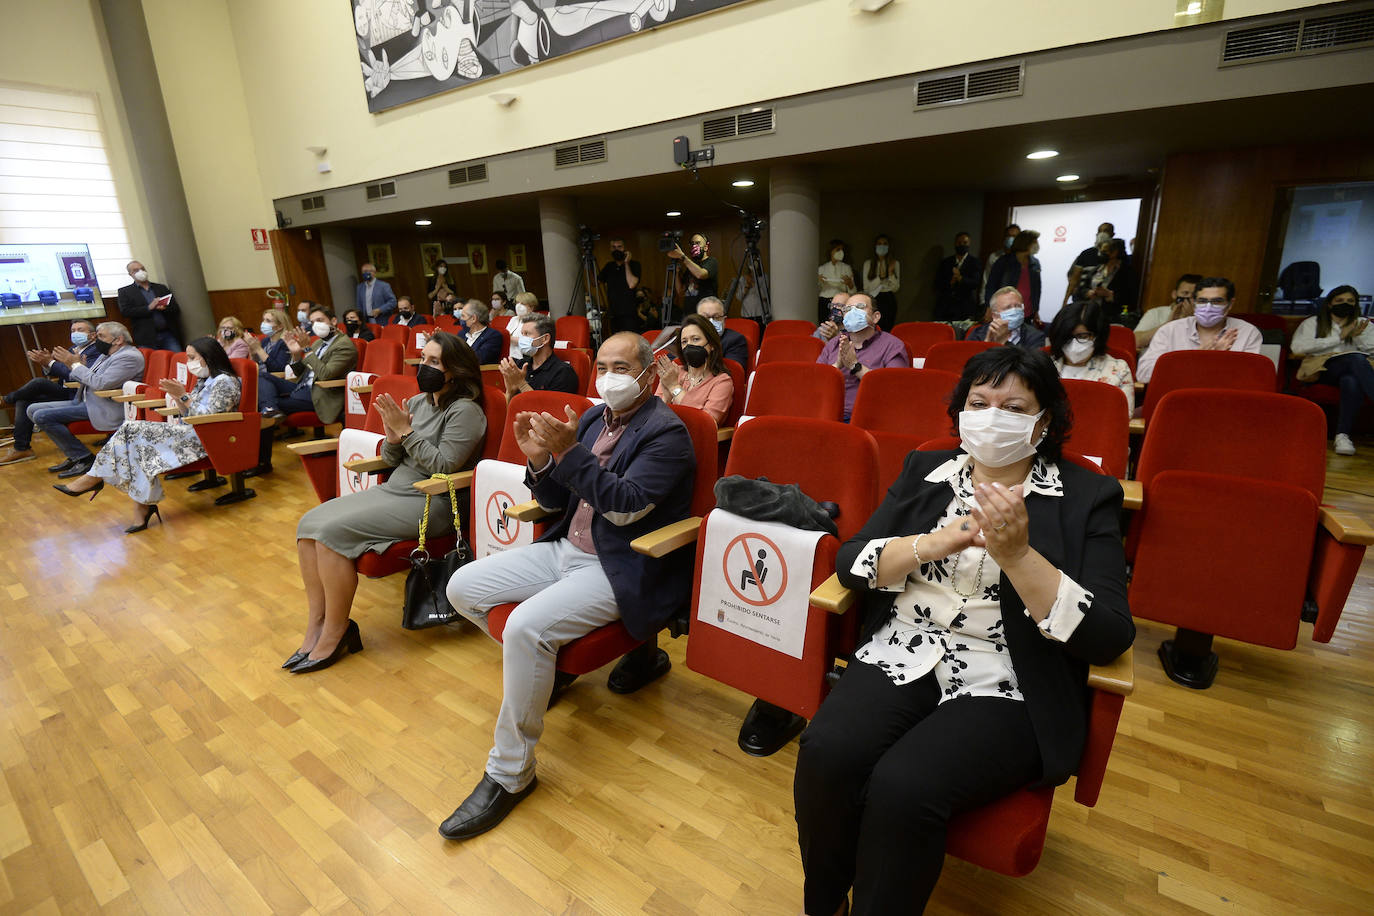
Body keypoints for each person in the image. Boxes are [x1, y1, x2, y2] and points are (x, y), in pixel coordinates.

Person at [793, 346, 1134, 914]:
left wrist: (1020, 555)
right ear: (960, 413)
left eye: (1013, 405)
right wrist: (929, 543)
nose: (992, 415)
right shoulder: (926, 471)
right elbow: (851, 562)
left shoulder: (1086, 495)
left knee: (906, 786)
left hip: (1010, 676)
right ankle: (824, 904)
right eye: (979, 402)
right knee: (827, 752)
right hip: (906, 647)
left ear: (1043, 420)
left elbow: (1109, 634)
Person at [439, 332, 695, 840]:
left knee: (524, 629)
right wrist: (540, 460)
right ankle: (544, 672)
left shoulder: (667, 433)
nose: (608, 376)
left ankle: (510, 774)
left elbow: (624, 508)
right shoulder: (597, 417)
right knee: (462, 587)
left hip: (619, 564)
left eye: (621, 367)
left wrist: (569, 451)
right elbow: (557, 502)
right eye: (601, 365)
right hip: (564, 548)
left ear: (648, 373)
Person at [289, 333, 487, 673]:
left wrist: (406, 432)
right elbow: (390, 457)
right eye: (423, 359)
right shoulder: (418, 402)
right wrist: (394, 436)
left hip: (431, 502)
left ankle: (337, 631)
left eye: (434, 362)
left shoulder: (466, 411)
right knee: (309, 525)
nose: (425, 367)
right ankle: (317, 624)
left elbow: (443, 467)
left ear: (455, 370)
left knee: (331, 534)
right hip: (395, 491)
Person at [52, 337, 242, 534]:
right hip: (188, 432)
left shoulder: (226, 382)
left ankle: (96, 478)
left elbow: (210, 419)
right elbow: (188, 413)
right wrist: (178, 397)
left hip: (207, 439)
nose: (188, 362)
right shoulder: (205, 379)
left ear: (208, 357)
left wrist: (183, 396)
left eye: (192, 357)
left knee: (132, 432)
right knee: (133, 440)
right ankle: (133, 500)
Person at [31, 322, 146, 479]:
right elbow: (86, 377)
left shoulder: (128, 357)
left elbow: (100, 384)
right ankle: (75, 455)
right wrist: (67, 365)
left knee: (42, 416)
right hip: (87, 399)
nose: (97, 340)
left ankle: (83, 458)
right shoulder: (106, 354)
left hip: (107, 405)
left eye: (101, 336)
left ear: (118, 340)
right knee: (32, 409)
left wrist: (75, 364)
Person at [0, 320, 102, 466]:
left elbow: (76, 375)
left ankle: (6, 400)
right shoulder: (74, 348)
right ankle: (21, 448)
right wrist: (46, 364)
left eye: (80, 330)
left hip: (78, 392)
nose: (75, 333)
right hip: (67, 390)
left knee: (38, 383)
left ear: (92, 335)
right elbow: (60, 371)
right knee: (25, 400)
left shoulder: (96, 350)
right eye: (72, 331)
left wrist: (50, 363)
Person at [1291, 285, 1374, 456]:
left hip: (1355, 372)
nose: (1345, 304)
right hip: (1323, 371)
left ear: (1356, 304)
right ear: (1330, 304)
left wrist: (1357, 335)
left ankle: (1342, 436)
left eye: (1350, 301)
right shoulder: (1313, 322)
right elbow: (1298, 348)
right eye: (1340, 300)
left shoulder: (1363, 324)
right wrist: (1339, 338)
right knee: (1355, 359)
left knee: (1350, 379)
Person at [1137, 277, 1263, 383]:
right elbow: (1144, 374)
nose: (1208, 307)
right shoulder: (1170, 330)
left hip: (1224, 402)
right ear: (1193, 302)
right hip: (1175, 400)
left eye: (1217, 301)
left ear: (1230, 304)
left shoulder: (1248, 333)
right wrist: (1193, 359)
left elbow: (1249, 379)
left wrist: (1218, 360)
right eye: (1202, 301)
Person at [817, 294, 910, 421]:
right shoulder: (834, 344)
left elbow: (894, 390)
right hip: (828, 415)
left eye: (860, 307)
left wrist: (855, 366)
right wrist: (837, 366)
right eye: (848, 309)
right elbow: (815, 385)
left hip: (871, 418)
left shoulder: (892, 345)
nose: (853, 312)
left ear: (875, 317)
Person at [262, 305, 359, 420]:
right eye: (313, 322)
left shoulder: (344, 345)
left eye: (320, 320)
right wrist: (296, 354)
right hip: (302, 387)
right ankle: (271, 409)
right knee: (261, 376)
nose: (316, 325)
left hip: (320, 394)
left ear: (333, 321)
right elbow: (300, 373)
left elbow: (325, 375)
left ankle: (270, 409)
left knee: (265, 403)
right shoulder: (318, 343)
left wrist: (307, 350)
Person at [1049, 300, 1135, 410]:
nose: (1074, 343)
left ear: (1098, 336)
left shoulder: (1119, 370)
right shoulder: (1043, 368)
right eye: (1068, 337)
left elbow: (1123, 416)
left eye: (1083, 336)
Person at [654, 314, 735, 425]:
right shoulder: (674, 372)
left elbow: (706, 423)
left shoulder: (722, 382)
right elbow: (654, 418)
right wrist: (667, 399)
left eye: (695, 339)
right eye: (684, 342)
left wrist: (674, 387)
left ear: (711, 345)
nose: (689, 345)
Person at [498, 314, 580, 402]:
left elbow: (549, 410)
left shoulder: (563, 372)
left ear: (545, 339)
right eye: (521, 334)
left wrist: (522, 384)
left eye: (527, 334)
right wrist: (510, 392)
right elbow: (508, 410)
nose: (521, 339)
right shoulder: (520, 365)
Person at [117, 260, 183, 351]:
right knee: (154, 364)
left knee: (178, 360)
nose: (141, 272)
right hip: (146, 338)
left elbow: (175, 308)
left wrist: (164, 308)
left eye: (142, 269)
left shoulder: (161, 288)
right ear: (130, 274)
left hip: (168, 334)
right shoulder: (125, 292)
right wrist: (148, 308)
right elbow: (125, 311)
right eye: (136, 270)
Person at [985, 230, 1041, 322]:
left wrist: (1036, 311)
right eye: (1034, 242)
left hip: (1026, 314)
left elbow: (1036, 290)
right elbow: (991, 286)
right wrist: (989, 308)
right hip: (1005, 311)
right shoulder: (1004, 262)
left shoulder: (1035, 263)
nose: (1037, 245)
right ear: (1025, 243)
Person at [967, 288, 1048, 350]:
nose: (1015, 310)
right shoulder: (978, 334)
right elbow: (970, 366)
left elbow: (1030, 368)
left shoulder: (1035, 336)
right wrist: (987, 344)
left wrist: (1002, 343)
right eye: (1008, 308)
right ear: (995, 315)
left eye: (1018, 306)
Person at [1135, 274, 1200, 351]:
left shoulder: (1203, 318)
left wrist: (1190, 320)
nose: (1189, 299)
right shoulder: (1156, 313)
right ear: (1174, 294)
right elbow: (1136, 341)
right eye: (1185, 293)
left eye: (1194, 296)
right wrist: (1169, 324)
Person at [1079, 239, 1137, 318]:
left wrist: (1109, 294)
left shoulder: (1127, 272)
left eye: (1105, 251)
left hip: (1112, 316)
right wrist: (1088, 292)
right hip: (1090, 313)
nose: (1100, 254)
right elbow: (1082, 288)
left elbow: (1131, 298)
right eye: (1101, 251)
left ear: (1115, 252)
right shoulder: (1097, 269)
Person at [1063, 222, 1115, 307]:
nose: (1102, 234)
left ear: (1112, 234)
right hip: (1081, 300)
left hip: (1103, 303)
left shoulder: (1114, 256)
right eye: (1100, 231)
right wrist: (1065, 302)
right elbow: (1074, 278)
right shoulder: (1086, 254)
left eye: (1106, 231)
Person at [933, 231, 981, 322]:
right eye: (959, 243)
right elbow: (937, 283)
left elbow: (975, 283)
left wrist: (961, 279)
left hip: (965, 307)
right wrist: (950, 282)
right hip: (946, 307)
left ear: (969, 244)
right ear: (955, 244)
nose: (962, 245)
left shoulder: (974, 262)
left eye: (965, 243)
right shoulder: (946, 262)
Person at [598, 238, 641, 333]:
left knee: (631, 341)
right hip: (613, 313)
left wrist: (626, 263)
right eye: (613, 247)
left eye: (619, 247)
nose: (616, 249)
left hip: (629, 313)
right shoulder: (609, 266)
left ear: (625, 249)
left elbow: (632, 284)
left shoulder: (634, 265)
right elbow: (595, 283)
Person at [670, 233, 718, 315]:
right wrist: (677, 273)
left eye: (698, 243)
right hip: (689, 313)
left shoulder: (711, 261)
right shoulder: (690, 266)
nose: (694, 246)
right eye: (692, 243)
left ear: (706, 247)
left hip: (706, 313)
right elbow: (681, 291)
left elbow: (701, 274)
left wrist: (683, 257)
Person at [694, 296, 749, 369]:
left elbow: (734, 370)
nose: (710, 322)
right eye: (705, 318)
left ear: (724, 319)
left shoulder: (735, 340)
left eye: (716, 317)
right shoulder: (688, 338)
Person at [861, 235, 901, 331]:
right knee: (873, 328)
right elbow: (866, 288)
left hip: (888, 298)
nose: (882, 246)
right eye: (879, 244)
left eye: (885, 244)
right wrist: (881, 278)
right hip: (874, 299)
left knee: (887, 328)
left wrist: (891, 273)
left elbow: (896, 288)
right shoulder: (868, 263)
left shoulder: (894, 263)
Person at [818, 241, 856, 325]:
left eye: (842, 250)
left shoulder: (846, 268)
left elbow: (853, 291)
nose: (840, 252)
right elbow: (816, 290)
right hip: (825, 301)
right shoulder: (822, 268)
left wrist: (849, 283)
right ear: (831, 251)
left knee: (840, 326)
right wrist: (819, 281)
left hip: (841, 302)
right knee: (825, 326)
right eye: (838, 249)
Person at [981, 223, 1019, 303]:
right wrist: (983, 301)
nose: (1011, 239)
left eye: (1014, 236)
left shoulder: (1021, 259)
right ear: (1004, 238)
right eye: (1008, 236)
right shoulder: (994, 257)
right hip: (996, 302)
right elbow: (986, 280)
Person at [459, 299, 504, 365]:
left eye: (463, 316)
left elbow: (480, 359)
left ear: (473, 318)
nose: (461, 319)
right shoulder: (462, 334)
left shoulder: (493, 336)